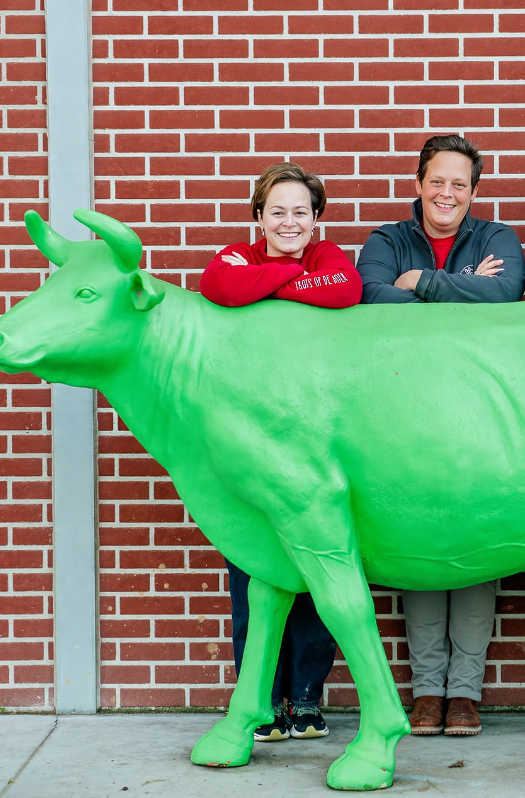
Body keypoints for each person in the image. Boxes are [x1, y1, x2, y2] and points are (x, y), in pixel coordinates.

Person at [357, 134, 525, 736]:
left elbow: (504, 295)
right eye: (438, 180)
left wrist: (421, 284)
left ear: (473, 192)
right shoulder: (386, 240)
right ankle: (427, 694)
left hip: (483, 414)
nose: (447, 192)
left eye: (460, 183)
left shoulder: (496, 239)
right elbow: (369, 297)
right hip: (406, 415)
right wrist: (459, 287)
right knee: (421, 546)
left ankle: (466, 695)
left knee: (477, 548)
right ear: (419, 184)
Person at [200, 161, 361, 741]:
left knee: (314, 582)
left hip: (312, 441)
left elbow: (347, 289)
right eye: (277, 212)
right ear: (258, 217)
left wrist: (267, 285)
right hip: (249, 442)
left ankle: (307, 702)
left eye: (300, 212)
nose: (288, 222)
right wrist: (290, 283)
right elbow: (219, 286)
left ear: (316, 219)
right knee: (252, 577)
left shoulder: (327, 256)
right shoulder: (235, 255)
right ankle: (262, 704)